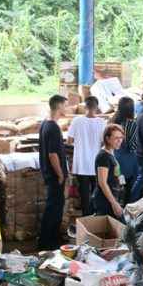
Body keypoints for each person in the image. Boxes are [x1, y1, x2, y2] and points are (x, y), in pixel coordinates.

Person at [67, 96, 106, 216]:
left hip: (81, 164)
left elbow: (69, 141)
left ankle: (86, 217)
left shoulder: (77, 121)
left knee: (84, 193)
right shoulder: (102, 122)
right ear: (97, 107)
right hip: (96, 164)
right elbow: (104, 143)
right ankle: (95, 215)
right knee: (97, 191)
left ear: (85, 106)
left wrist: (80, 143)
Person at [38, 95, 68, 249]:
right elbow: (52, 154)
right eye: (65, 105)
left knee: (53, 206)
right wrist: (60, 173)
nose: (66, 109)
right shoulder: (53, 127)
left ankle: (49, 239)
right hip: (54, 175)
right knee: (54, 208)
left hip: (49, 173)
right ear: (59, 106)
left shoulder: (45, 124)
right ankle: (48, 242)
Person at [92, 124, 125, 220]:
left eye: (121, 138)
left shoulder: (111, 151)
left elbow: (116, 173)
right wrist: (114, 203)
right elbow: (102, 183)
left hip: (113, 197)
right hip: (105, 201)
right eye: (116, 138)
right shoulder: (103, 156)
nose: (120, 141)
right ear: (107, 138)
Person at [112, 97, 139, 205]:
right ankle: (124, 210)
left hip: (114, 158)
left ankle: (113, 207)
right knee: (127, 187)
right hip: (127, 161)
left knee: (115, 185)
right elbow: (133, 146)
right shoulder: (132, 124)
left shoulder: (113, 122)